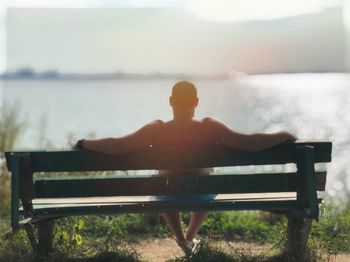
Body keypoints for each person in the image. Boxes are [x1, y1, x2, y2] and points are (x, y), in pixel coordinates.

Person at [75, 81, 296, 255]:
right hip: (202, 194)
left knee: (165, 183)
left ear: (171, 101)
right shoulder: (209, 127)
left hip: (167, 194)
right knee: (205, 180)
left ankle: (182, 239)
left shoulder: (156, 129)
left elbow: (118, 146)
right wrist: (283, 136)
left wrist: (83, 143)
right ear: (196, 102)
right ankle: (189, 237)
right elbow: (249, 143)